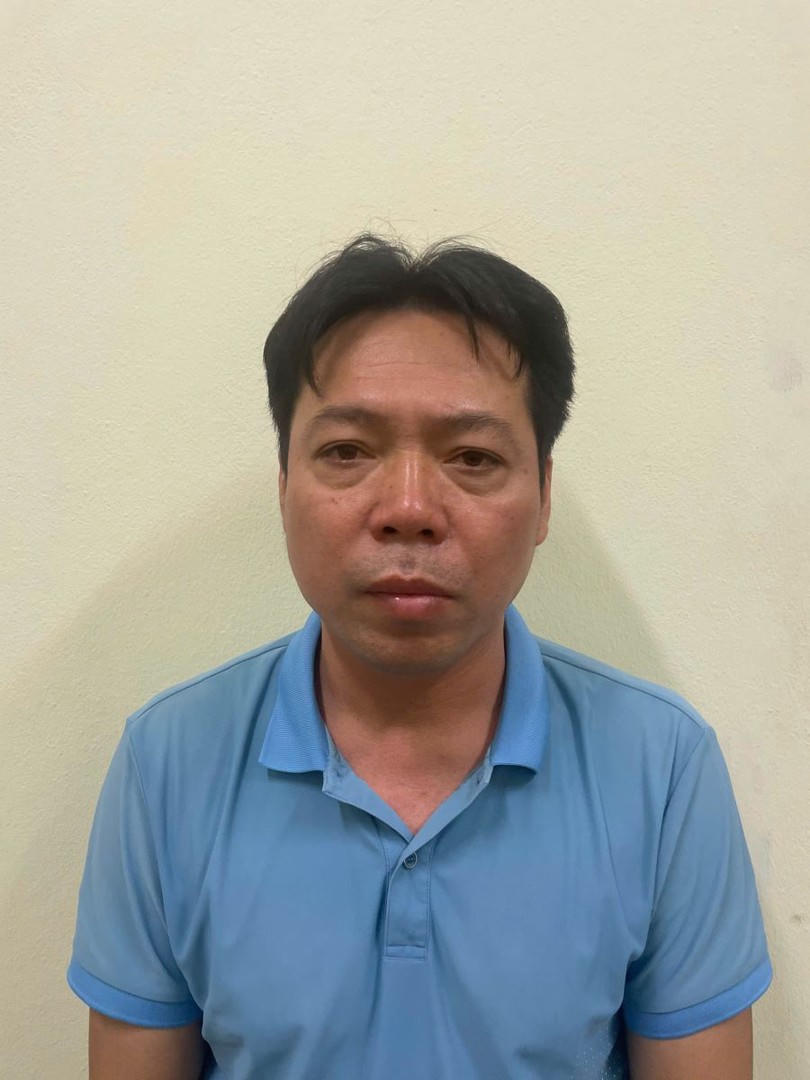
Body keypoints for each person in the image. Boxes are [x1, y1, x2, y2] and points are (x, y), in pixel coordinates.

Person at [67, 235, 772, 1079]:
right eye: (347, 451)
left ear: (545, 497)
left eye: (472, 457)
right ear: (282, 486)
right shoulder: (168, 762)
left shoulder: (663, 767)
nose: (408, 508)